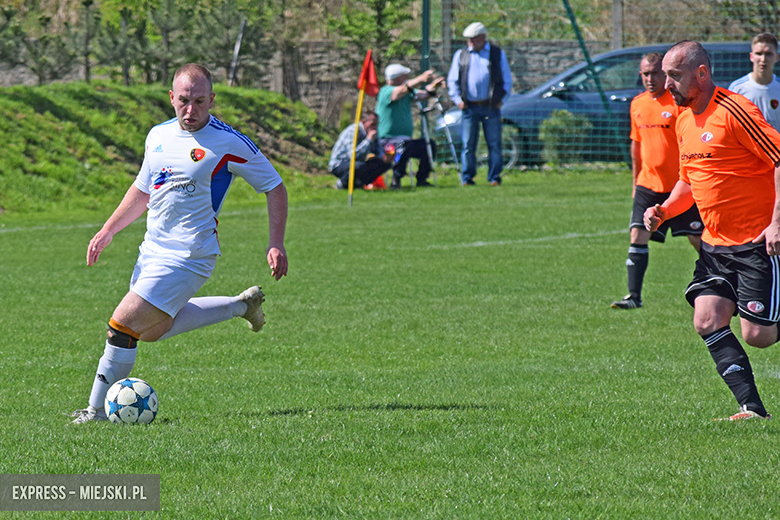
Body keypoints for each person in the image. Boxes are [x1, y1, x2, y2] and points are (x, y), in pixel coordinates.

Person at [71, 64, 289, 424]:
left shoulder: (228, 143)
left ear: (212, 100)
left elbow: (275, 186)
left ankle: (94, 412)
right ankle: (241, 306)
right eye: (184, 101)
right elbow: (143, 190)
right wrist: (110, 229)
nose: (191, 111)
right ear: (171, 98)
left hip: (191, 254)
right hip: (152, 251)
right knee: (151, 331)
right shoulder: (157, 135)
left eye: (200, 102)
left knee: (122, 325)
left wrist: (275, 242)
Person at [644, 41, 780, 421]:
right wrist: (664, 210)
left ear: (701, 74)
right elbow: (689, 180)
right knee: (706, 319)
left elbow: (779, 157)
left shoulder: (735, 110)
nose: (665, 83)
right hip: (715, 246)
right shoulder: (683, 119)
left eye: (674, 75)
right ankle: (751, 409)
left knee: (760, 336)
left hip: (757, 242)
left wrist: (777, 223)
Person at [611, 52, 703, 310]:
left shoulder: (677, 104)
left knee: (699, 240)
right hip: (647, 185)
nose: (650, 78)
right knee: (637, 235)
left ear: (665, 74)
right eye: (645, 74)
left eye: (655, 73)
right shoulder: (637, 104)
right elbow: (636, 145)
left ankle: (727, 282)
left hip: (680, 187)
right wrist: (634, 183)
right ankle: (634, 297)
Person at [446, 21, 512, 186]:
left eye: (473, 39)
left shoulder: (496, 54)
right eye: (468, 39)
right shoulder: (461, 55)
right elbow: (452, 81)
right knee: (468, 144)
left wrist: (500, 101)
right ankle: (467, 178)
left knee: (494, 144)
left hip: (491, 107)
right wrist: (458, 101)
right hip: (469, 107)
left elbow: (507, 81)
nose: (470, 42)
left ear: (482, 37)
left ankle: (494, 177)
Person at [376, 63, 442, 189]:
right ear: (398, 78)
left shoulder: (407, 92)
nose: (408, 77)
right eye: (405, 75)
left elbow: (423, 95)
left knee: (428, 146)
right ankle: (396, 179)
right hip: (388, 141)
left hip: (406, 141)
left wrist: (433, 87)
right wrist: (420, 79)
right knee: (401, 147)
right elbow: (399, 92)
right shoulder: (386, 91)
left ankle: (422, 179)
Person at [728, 32, 780, 132]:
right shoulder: (737, 89)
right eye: (759, 53)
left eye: (768, 54)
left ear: (777, 57)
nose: (763, 59)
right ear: (751, 56)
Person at [328, 111, 392, 189]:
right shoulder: (353, 131)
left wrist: (384, 157)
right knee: (358, 165)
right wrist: (369, 140)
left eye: (376, 124)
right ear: (363, 122)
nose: (374, 127)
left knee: (384, 164)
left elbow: (378, 150)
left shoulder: (373, 132)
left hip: (359, 163)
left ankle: (360, 183)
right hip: (340, 163)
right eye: (372, 124)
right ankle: (342, 183)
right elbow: (353, 155)